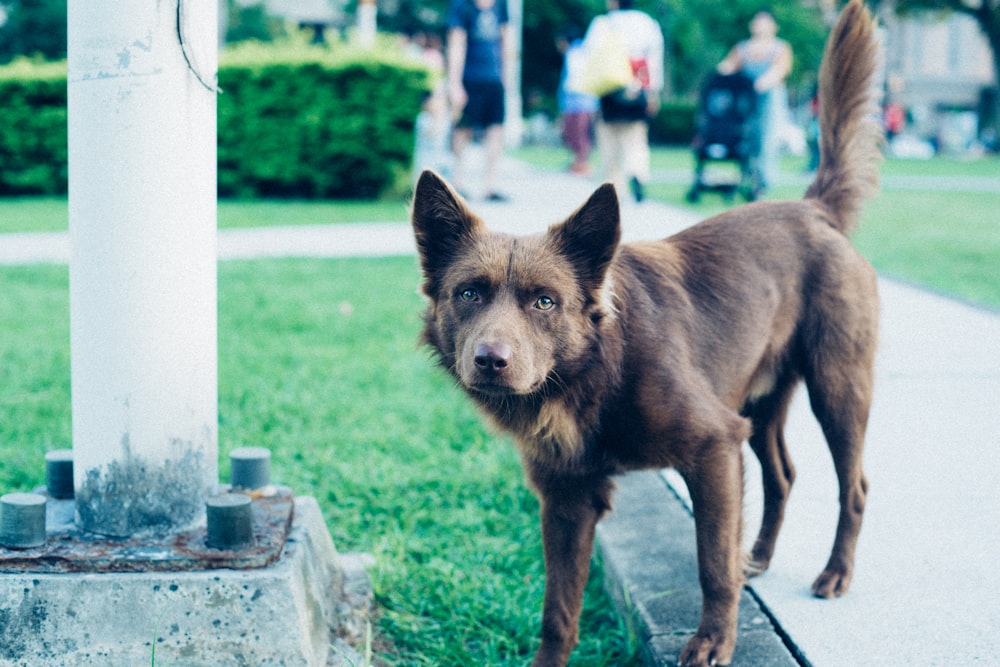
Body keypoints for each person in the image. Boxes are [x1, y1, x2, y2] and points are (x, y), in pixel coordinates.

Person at [583, 0, 664, 203]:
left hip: (609, 88)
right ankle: (637, 173)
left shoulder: (602, 23)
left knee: (609, 139)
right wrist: (653, 93)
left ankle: (613, 187)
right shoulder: (647, 23)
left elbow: (590, 57)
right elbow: (655, 60)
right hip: (637, 88)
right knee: (635, 139)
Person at [717, 10, 792, 194]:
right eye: (757, 21)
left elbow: (778, 71)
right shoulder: (743, 49)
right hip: (746, 102)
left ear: (774, 26)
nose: (759, 25)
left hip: (769, 101)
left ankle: (763, 183)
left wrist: (761, 83)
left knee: (766, 141)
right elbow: (727, 67)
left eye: (764, 22)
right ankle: (746, 177)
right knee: (745, 139)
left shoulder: (780, 48)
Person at [446, 0, 512, 201]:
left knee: (495, 130)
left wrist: (506, 78)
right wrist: (455, 83)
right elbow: (456, 43)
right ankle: (458, 182)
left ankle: (490, 185)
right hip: (469, 79)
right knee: (463, 130)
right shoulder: (462, 6)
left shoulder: (501, 5)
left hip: (494, 80)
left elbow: (506, 41)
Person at [557, 27, 598, 176]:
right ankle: (578, 162)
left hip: (580, 100)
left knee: (579, 133)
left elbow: (572, 80)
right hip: (579, 101)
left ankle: (583, 163)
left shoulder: (576, 52)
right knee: (575, 132)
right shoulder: (578, 52)